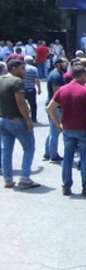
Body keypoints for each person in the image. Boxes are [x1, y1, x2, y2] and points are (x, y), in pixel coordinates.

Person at [47, 65, 86, 196]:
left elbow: (50, 108)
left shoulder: (62, 90)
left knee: (67, 158)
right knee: (85, 158)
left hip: (67, 128)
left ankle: (66, 186)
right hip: (84, 128)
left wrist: (58, 123)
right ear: (82, 75)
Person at [0, 60, 40, 189]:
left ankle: (8, 179)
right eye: (22, 68)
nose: (25, 71)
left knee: (6, 151)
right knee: (29, 148)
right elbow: (21, 102)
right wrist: (28, 120)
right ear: (13, 68)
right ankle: (24, 178)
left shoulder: (1, 79)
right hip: (17, 120)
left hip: (3, 120)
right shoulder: (17, 82)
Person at [44, 58, 67, 163]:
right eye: (64, 63)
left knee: (52, 131)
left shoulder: (56, 74)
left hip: (53, 106)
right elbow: (57, 94)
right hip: (56, 107)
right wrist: (63, 107)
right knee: (55, 131)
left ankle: (48, 152)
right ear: (58, 64)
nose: (66, 65)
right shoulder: (56, 76)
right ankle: (53, 155)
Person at [23, 56, 40, 123]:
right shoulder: (34, 69)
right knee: (33, 104)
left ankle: (23, 117)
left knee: (22, 103)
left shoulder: (22, 68)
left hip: (22, 89)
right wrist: (39, 88)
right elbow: (36, 79)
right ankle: (34, 118)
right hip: (31, 88)